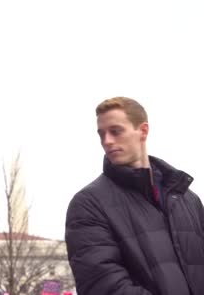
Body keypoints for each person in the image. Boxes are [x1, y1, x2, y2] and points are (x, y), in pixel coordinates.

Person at [65, 96, 204, 295]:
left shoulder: (187, 199)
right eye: (101, 134)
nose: (107, 141)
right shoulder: (88, 204)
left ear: (143, 131)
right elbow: (102, 286)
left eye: (115, 131)